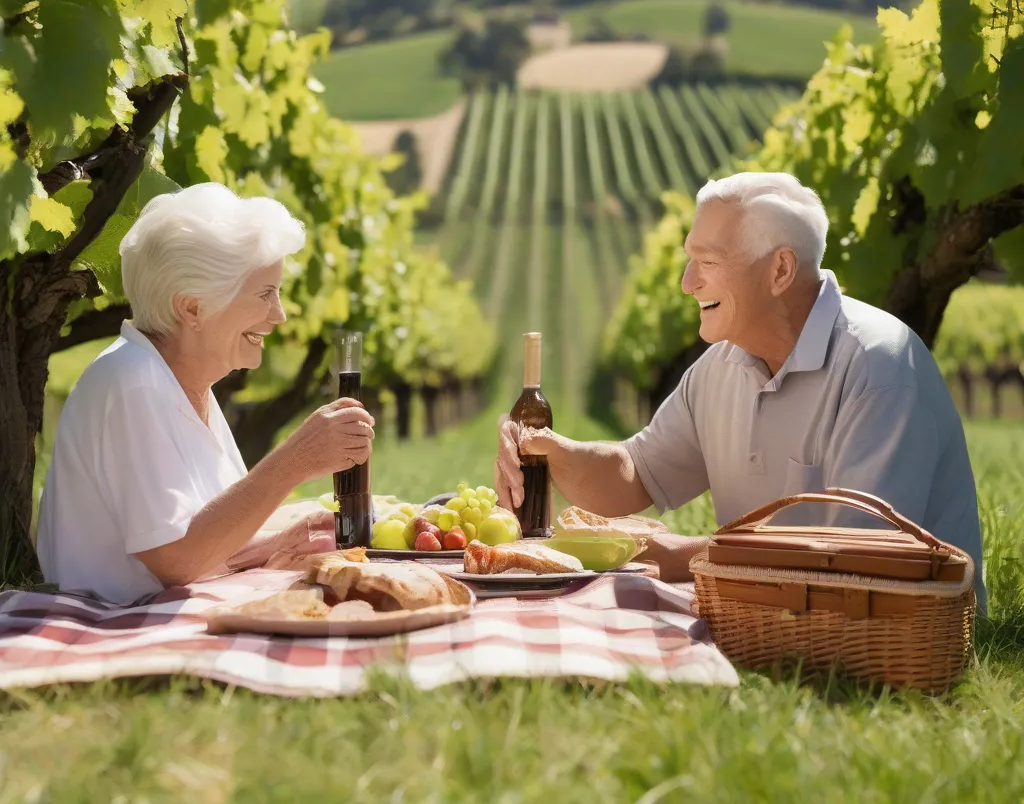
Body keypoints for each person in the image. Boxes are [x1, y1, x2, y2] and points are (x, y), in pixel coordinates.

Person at [495, 172, 986, 606]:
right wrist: (551, 454)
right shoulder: (720, 367)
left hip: (893, 635)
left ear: (780, 270)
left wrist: (678, 554)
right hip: (775, 613)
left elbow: (861, 560)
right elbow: (635, 472)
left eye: (708, 262)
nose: (688, 284)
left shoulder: (879, 364)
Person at [37, 184, 373, 605]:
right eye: (265, 294)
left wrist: (276, 542)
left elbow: (201, 541)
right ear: (192, 308)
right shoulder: (131, 382)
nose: (280, 315)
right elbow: (176, 559)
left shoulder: (180, 383)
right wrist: (296, 459)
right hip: (119, 624)